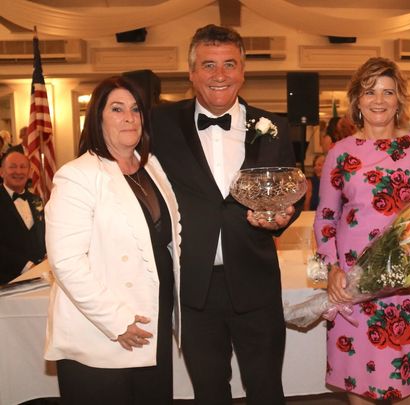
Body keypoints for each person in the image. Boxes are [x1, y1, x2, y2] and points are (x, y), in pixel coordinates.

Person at [151, 24, 300, 405]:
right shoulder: (160, 125)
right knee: (209, 393)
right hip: (193, 288)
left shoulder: (273, 127)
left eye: (229, 64)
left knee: (267, 390)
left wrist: (287, 213)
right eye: (208, 65)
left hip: (256, 281)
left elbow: (290, 189)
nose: (220, 75)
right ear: (192, 73)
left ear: (243, 70)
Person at [44, 76, 181, 404]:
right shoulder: (77, 175)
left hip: (152, 322)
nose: (129, 117)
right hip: (102, 334)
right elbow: (66, 262)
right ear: (97, 118)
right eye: (117, 109)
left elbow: (172, 237)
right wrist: (117, 322)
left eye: (135, 109)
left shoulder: (152, 167)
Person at [314, 57, 410, 404]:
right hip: (352, 286)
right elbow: (324, 217)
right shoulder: (339, 153)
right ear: (357, 100)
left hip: (404, 282)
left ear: (399, 100)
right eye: (369, 92)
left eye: (388, 92)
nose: (378, 100)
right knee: (359, 381)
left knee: (405, 378)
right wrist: (333, 267)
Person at [0, 150, 45, 284]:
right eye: (12, 167)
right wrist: (26, 266)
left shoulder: (36, 199)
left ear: (30, 172)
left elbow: (42, 232)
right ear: (1, 172)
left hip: (38, 276)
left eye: (23, 167)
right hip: (6, 281)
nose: (18, 172)